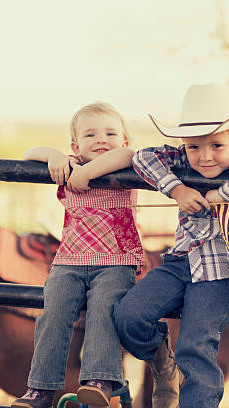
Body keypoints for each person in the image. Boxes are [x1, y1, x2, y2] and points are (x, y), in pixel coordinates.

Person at [113, 83, 229, 408]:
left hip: (223, 269)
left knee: (195, 346)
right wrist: (176, 188)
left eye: (217, 145)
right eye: (194, 147)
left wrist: (223, 194)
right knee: (129, 315)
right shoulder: (182, 161)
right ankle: (163, 362)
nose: (204, 157)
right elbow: (144, 158)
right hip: (180, 262)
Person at [12, 102, 144, 408]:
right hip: (69, 261)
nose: (101, 139)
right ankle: (40, 389)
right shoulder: (68, 164)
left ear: (124, 140)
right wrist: (55, 156)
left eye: (111, 133)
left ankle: (99, 380)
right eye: (90, 134)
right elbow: (30, 152)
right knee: (53, 314)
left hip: (116, 261)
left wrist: (87, 173)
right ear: (76, 146)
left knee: (104, 311)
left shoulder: (125, 165)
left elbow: (126, 154)